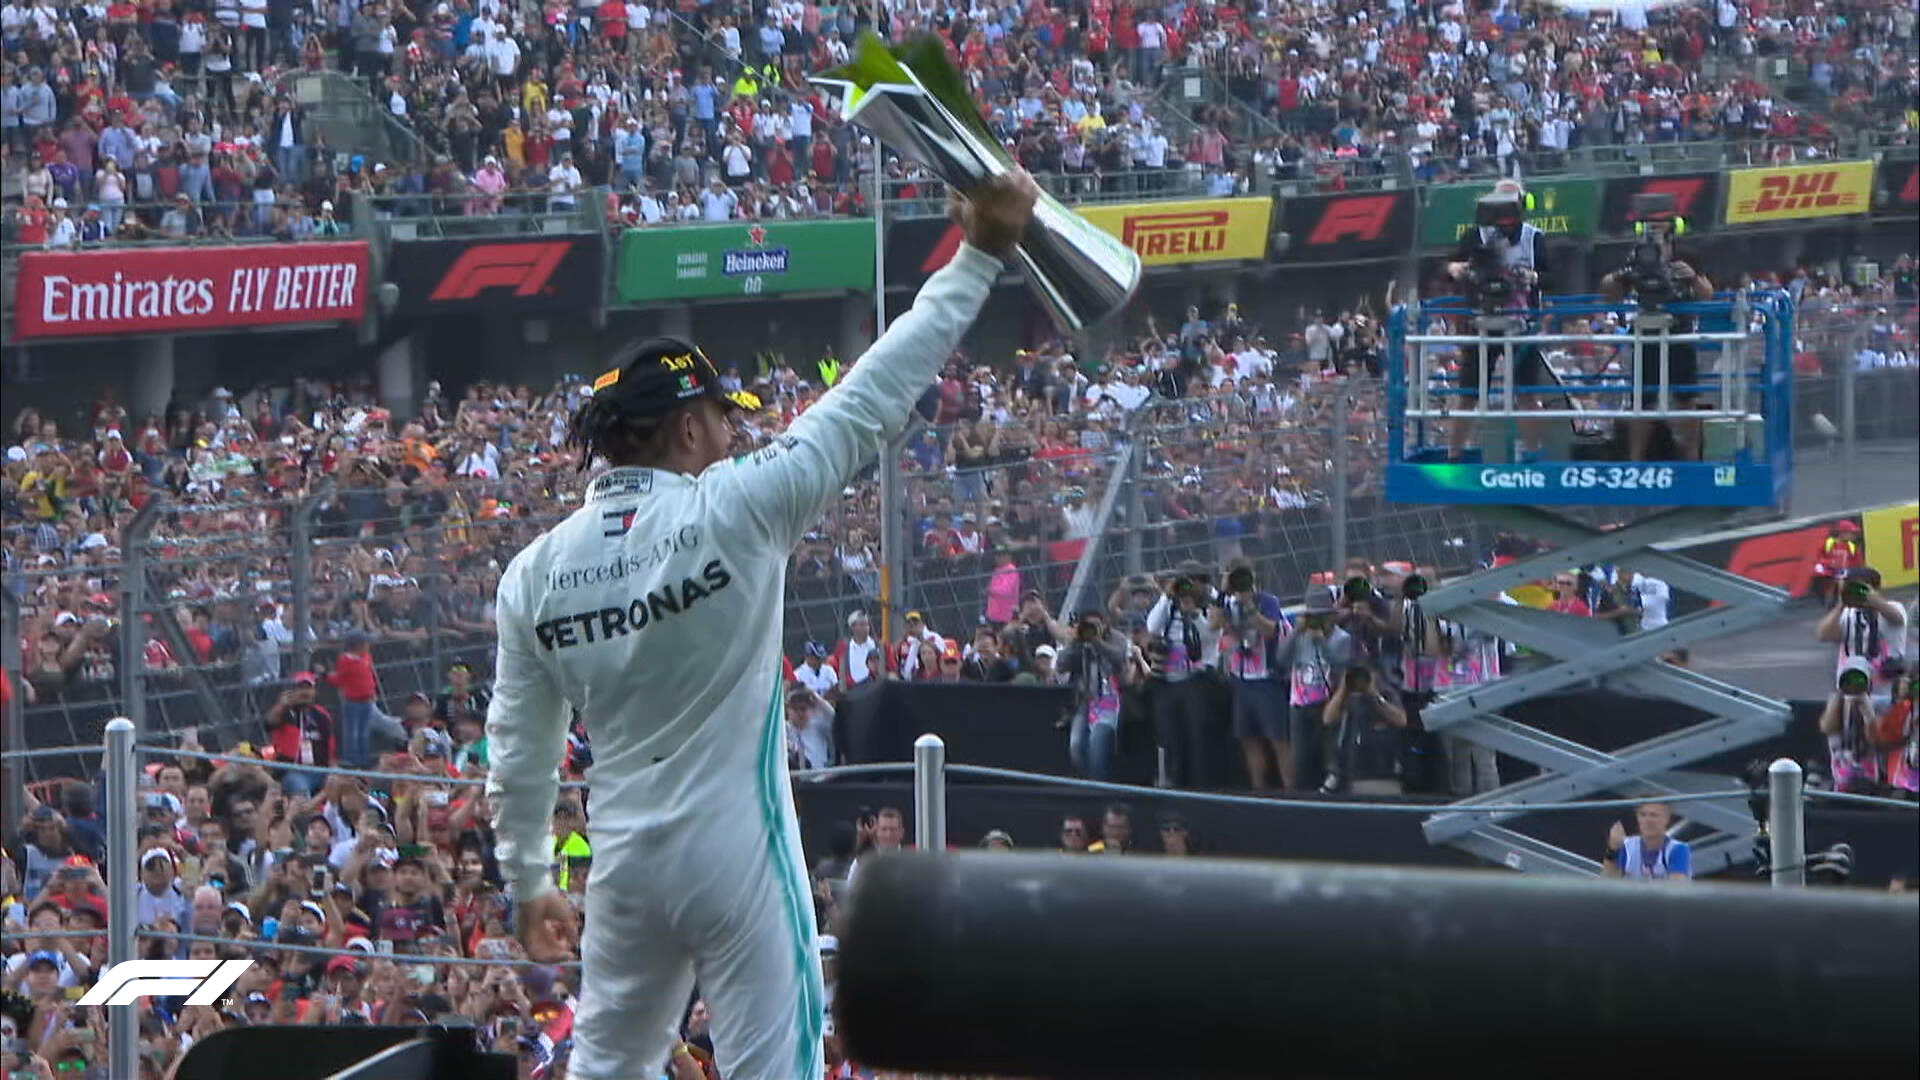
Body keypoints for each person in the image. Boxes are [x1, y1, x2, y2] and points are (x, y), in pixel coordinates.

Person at [484, 172, 1036, 1080]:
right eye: (721, 419)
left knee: (605, 1069)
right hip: (737, 854)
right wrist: (977, 257)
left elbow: (520, 748)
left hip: (624, 869)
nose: (733, 436)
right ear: (687, 430)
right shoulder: (736, 507)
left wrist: (529, 879)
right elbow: (870, 398)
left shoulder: (533, 573)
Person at [1602, 802, 1692, 882]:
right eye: (1643, 815)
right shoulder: (1628, 846)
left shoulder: (1677, 849)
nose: (1648, 820)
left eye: (1654, 815)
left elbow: (1677, 888)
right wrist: (1613, 848)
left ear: (1666, 819)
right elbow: (1609, 883)